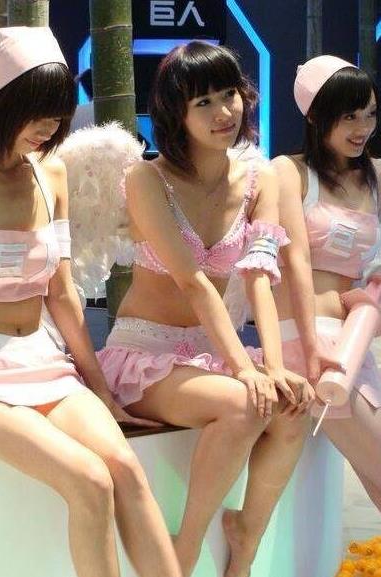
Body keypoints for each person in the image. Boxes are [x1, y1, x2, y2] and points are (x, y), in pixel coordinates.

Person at [0, 26, 182, 577]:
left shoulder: (51, 174)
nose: (50, 127)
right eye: (38, 111)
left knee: (126, 469)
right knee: (90, 481)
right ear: (2, 101)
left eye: (58, 113)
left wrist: (101, 390)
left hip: (46, 363)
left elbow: (62, 292)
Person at [96, 41, 314, 577]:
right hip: (146, 354)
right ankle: (187, 547)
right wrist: (245, 370)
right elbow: (193, 282)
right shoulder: (147, 179)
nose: (223, 112)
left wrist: (273, 366)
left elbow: (259, 276)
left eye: (229, 94)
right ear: (176, 113)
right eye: (203, 103)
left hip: (213, 352)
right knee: (244, 405)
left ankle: (246, 536)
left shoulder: (259, 178)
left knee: (293, 406)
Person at [272, 55, 381, 512]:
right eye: (349, 116)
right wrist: (311, 348)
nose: (363, 128)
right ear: (316, 116)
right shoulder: (288, 171)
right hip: (307, 342)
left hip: (355, 342)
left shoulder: (376, 175)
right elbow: (294, 259)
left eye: (370, 114)